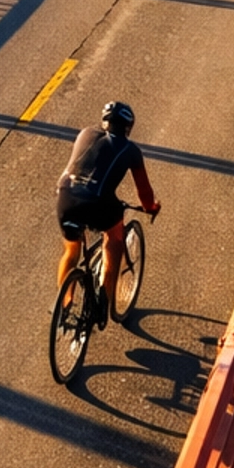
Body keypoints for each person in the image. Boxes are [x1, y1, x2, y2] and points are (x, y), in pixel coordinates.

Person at [56, 100, 160, 316]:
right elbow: (144, 193)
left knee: (72, 250)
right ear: (128, 127)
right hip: (95, 202)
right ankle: (104, 299)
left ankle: (63, 307)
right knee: (113, 238)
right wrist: (150, 207)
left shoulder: (85, 133)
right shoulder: (131, 150)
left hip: (65, 197)